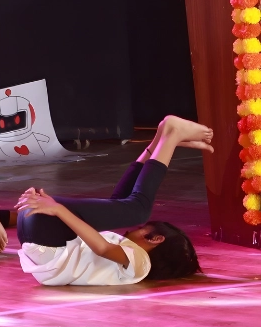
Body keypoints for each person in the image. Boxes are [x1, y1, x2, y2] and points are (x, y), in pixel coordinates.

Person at [15, 115, 209, 286]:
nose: (133, 229)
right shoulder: (126, 263)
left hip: (46, 229)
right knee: (121, 204)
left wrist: (58, 209)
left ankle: (171, 135)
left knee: (138, 210)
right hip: (35, 230)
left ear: (156, 239)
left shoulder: (142, 264)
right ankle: (162, 138)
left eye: (143, 228)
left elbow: (103, 248)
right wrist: (158, 144)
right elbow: (116, 206)